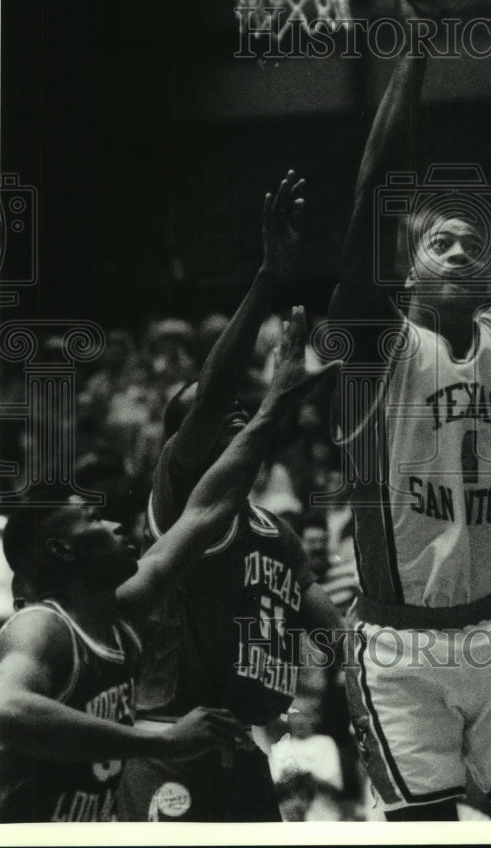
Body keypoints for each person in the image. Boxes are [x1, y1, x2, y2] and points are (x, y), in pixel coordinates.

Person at [326, 0, 491, 821]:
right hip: (400, 646)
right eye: (441, 238)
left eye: (477, 241)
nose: (463, 246)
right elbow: (371, 198)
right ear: (407, 270)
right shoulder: (379, 346)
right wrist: (416, 55)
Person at [0, 309, 322, 823]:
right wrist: (164, 742)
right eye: (91, 519)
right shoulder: (43, 627)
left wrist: (279, 399)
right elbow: (3, 710)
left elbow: (211, 509)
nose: (112, 526)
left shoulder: (123, 614)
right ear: (62, 551)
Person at [118, 177, 345, 823]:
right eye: (216, 420)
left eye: (242, 417)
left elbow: (337, 637)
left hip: (244, 748)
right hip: (171, 737)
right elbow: (216, 396)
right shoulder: (183, 496)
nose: (234, 421)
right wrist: (268, 278)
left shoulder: (276, 532)